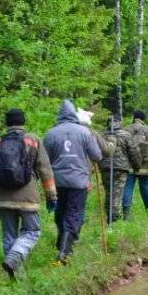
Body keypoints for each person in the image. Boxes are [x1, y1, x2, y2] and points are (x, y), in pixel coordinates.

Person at [0, 109, 57, 280]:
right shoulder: (32, 140)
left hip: (2, 198)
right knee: (32, 231)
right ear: (23, 122)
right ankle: (15, 258)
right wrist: (51, 196)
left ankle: (16, 278)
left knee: (9, 236)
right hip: (28, 196)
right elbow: (45, 171)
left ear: (7, 123)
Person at [43, 99, 102, 264]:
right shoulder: (84, 132)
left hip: (57, 181)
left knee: (60, 213)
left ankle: (62, 245)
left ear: (60, 115)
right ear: (73, 115)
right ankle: (64, 251)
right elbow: (97, 156)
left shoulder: (51, 134)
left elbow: (44, 160)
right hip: (79, 181)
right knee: (74, 214)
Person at [100, 114, 142, 221]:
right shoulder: (126, 135)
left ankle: (110, 216)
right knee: (117, 193)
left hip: (105, 167)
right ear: (120, 122)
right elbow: (134, 152)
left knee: (109, 193)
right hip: (120, 168)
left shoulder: (102, 135)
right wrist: (137, 166)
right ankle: (113, 218)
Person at [122, 110, 148, 219]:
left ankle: (126, 214)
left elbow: (123, 148)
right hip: (144, 165)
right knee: (145, 186)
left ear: (134, 117)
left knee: (128, 187)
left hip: (129, 165)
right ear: (143, 119)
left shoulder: (127, 130)